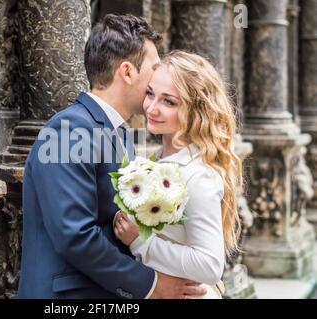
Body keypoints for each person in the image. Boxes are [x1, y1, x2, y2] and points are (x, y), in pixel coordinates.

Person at [18, 15, 207, 299]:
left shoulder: (118, 133)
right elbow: (75, 235)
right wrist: (152, 285)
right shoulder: (69, 129)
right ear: (128, 72)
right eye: (154, 70)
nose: (158, 79)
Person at [114, 50, 243, 299]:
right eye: (150, 93)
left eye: (169, 102)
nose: (152, 108)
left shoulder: (197, 176)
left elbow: (209, 265)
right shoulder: (158, 160)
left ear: (195, 110)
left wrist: (141, 241)